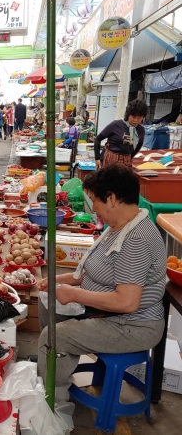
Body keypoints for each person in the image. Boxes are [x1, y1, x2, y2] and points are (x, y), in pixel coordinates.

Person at [37, 164, 166, 389]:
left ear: (112, 198)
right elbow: (104, 270)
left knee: (56, 336)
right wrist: (65, 280)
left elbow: (127, 302)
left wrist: (76, 294)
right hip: (108, 314)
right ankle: (54, 370)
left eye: (94, 200)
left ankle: (53, 400)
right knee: (48, 304)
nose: (93, 207)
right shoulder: (119, 225)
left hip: (132, 326)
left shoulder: (136, 240)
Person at [94, 99, 148, 169]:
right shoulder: (116, 125)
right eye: (133, 117)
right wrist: (97, 158)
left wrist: (130, 156)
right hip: (109, 160)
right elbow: (98, 139)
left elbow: (139, 144)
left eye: (139, 118)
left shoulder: (140, 130)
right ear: (128, 115)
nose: (136, 120)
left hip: (126, 162)